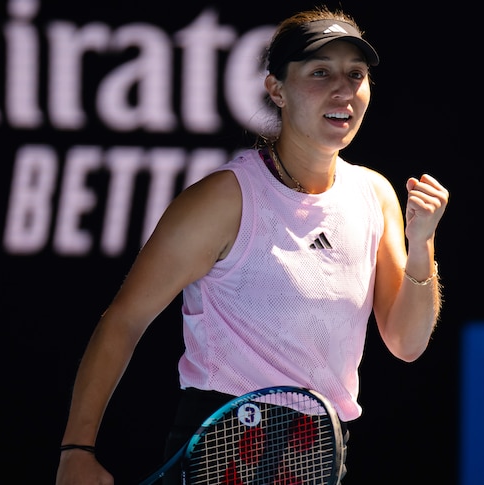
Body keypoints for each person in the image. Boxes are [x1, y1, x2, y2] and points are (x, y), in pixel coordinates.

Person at [56, 5, 449, 484]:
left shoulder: (376, 195)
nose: (343, 90)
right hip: (224, 449)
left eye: (356, 74)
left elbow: (407, 343)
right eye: (320, 72)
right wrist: (77, 448)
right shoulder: (223, 199)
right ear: (276, 90)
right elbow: (124, 319)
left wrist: (420, 242)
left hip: (319, 453)